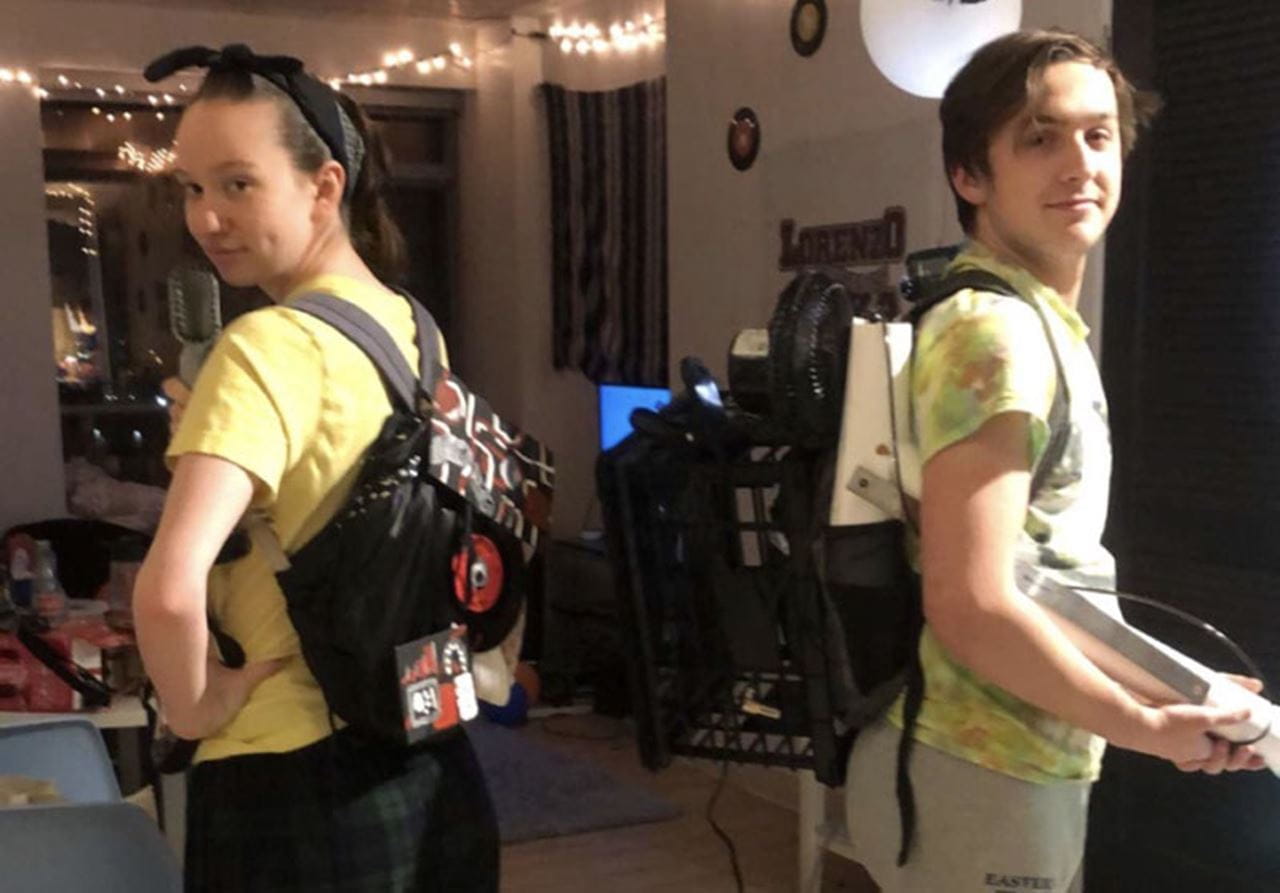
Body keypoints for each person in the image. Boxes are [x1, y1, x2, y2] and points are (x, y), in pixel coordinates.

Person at [843, 30, 1266, 892]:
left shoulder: (1037, 324)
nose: (1080, 162)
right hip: (978, 766)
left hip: (1014, 762)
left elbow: (1042, 580)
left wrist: (1166, 689)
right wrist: (1149, 731)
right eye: (1040, 137)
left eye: (1098, 134)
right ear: (970, 175)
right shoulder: (994, 333)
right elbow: (972, 601)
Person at [132, 45, 498, 891]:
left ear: (324, 186)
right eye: (191, 187)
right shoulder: (410, 327)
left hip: (292, 785)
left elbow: (166, 590)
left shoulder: (263, 346)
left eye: (237, 183)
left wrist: (195, 707)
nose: (206, 218)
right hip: (428, 752)